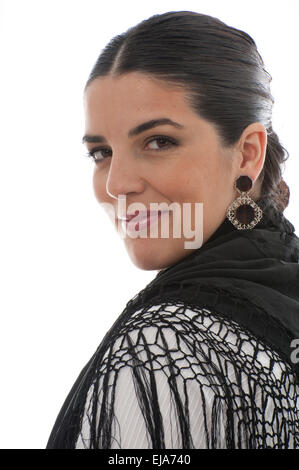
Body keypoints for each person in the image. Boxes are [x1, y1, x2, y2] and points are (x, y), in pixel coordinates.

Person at [46, 11, 299, 449]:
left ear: (247, 154)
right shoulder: (282, 292)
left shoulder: (161, 356)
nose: (117, 184)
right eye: (101, 152)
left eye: (158, 141)